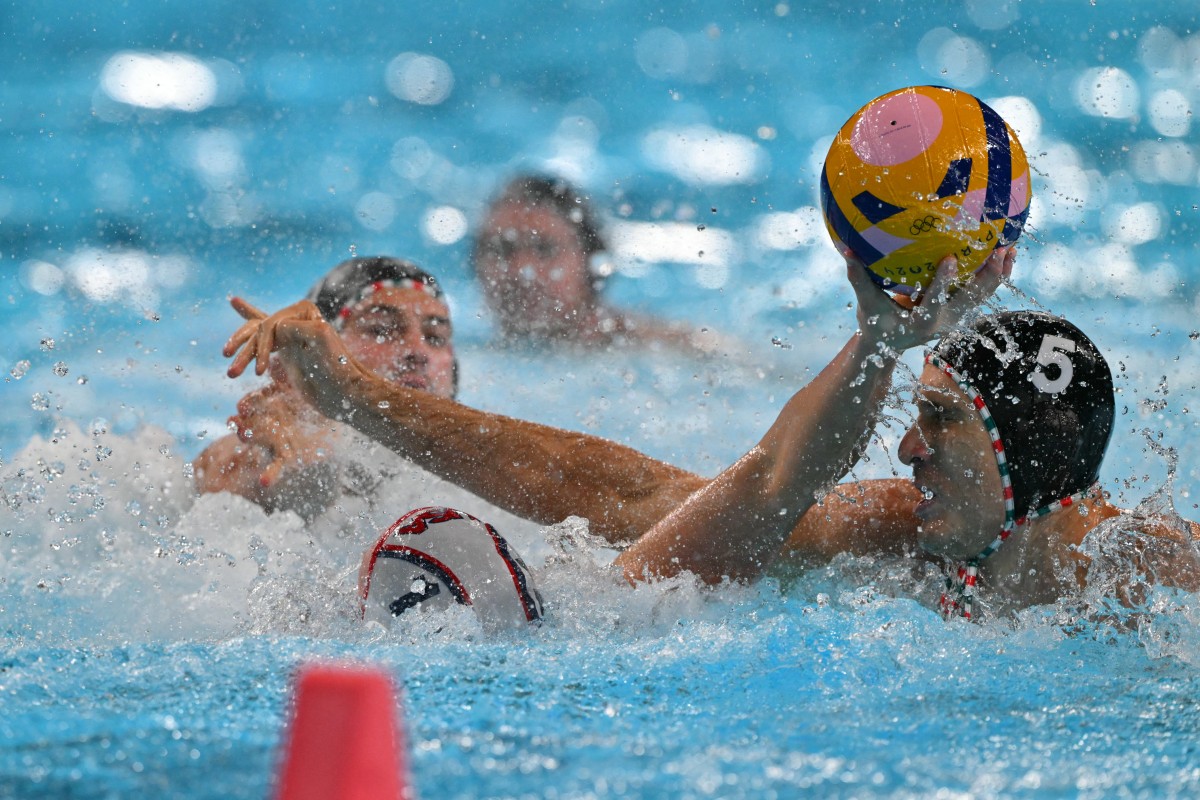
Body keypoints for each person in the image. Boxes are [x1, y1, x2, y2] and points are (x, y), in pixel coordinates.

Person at [219, 246, 1199, 620]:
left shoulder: (1135, 567)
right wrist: (357, 405)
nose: (907, 448)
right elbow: (657, 498)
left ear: (1022, 451)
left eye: (940, 422)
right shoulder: (895, 531)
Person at [193, 256, 456, 521]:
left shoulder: (474, 465)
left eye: (434, 337)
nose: (418, 351)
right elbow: (210, 473)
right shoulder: (297, 430)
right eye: (381, 329)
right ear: (316, 358)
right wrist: (266, 457)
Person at [473, 174, 724, 353]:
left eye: (545, 250)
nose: (522, 270)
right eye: (502, 250)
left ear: (590, 261)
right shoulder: (465, 355)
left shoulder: (667, 349)